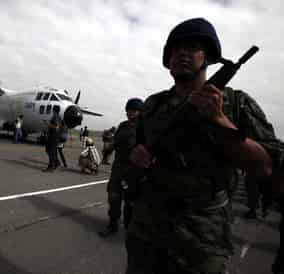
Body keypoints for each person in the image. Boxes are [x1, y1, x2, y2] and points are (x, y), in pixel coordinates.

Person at [126, 18, 283, 274]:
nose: (182, 53)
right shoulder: (153, 105)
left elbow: (266, 167)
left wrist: (219, 120)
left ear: (208, 57)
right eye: (176, 49)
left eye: (192, 47)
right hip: (147, 231)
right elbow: (140, 148)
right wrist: (138, 155)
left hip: (201, 238)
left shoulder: (235, 103)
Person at [99, 98, 143, 238]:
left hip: (134, 170)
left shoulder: (144, 127)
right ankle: (113, 224)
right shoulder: (123, 126)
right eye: (128, 110)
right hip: (118, 168)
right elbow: (115, 142)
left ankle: (130, 228)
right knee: (113, 196)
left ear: (140, 112)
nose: (130, 113)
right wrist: (107, 150)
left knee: (130, 201)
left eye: (133, 111)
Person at [43, 105, 62, 172]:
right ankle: (56, 163)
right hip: (56, 137)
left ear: (54, 110)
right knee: (52, 151)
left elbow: (56, 127)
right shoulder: (59, 117)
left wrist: (47, 123)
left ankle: (51, 166)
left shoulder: (55, 116)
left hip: (53, 137)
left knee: (49, 151)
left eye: (52, 109)